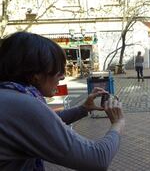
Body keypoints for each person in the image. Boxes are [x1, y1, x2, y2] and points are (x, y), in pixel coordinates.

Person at [0, 32, 125, 170]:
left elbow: (45, 122)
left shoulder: (9, 96)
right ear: (36, 74)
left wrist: (83, 109)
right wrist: (118, 123)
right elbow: (97, 158)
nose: (63, 77)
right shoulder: (21, 104)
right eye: (58, 70)